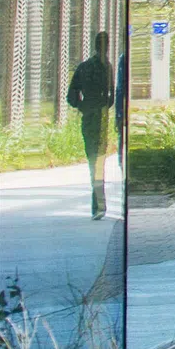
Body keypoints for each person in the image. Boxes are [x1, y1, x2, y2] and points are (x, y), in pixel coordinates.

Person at [69, 31, 118, 219]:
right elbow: (111, 97)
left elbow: (71, 96)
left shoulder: (83, 67)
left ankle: (97, 205)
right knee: (99, 162)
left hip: (88, 119)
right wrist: (102, 108)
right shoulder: (108, 68)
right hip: (101, 120)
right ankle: (99, 205)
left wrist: (84, 107)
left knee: (93, 161)